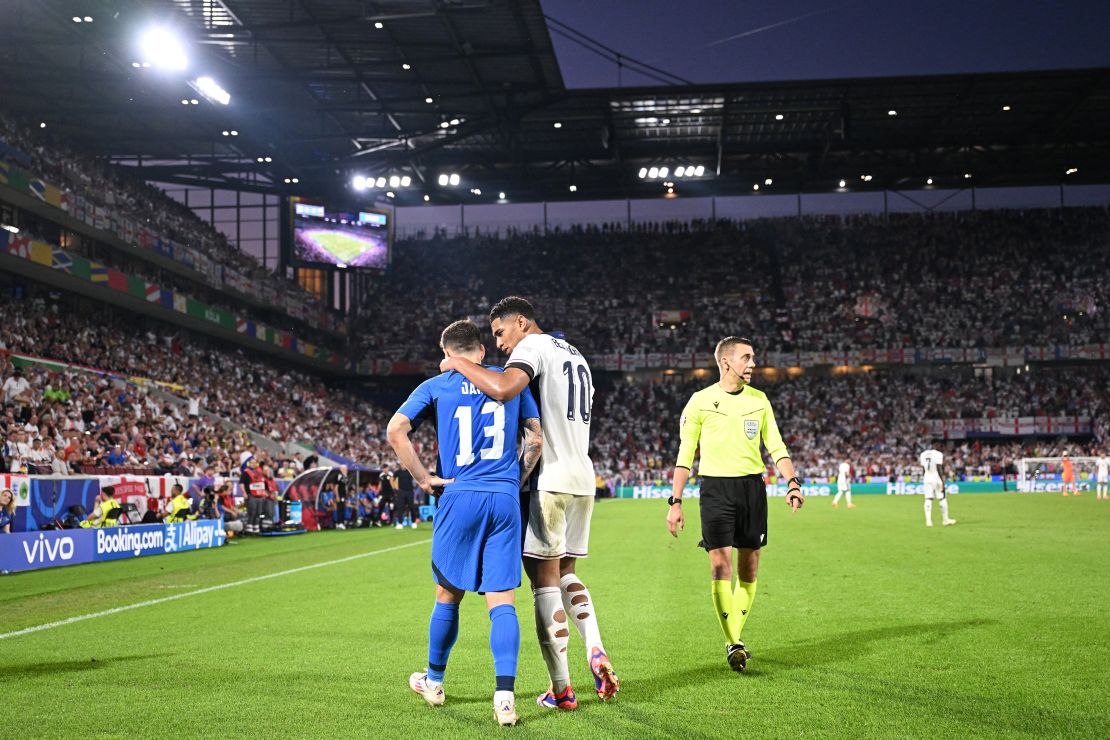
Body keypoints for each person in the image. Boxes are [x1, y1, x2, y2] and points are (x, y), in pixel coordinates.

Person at [440, 296, 620, 708]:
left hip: (548, 481)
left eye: (501, 332)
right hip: (581, 477)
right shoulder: (574, 353)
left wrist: (459, 363)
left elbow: (504, 389)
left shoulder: (531, 348)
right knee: (566, 573)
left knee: (543, 585)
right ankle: (594, 644)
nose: (500, 344)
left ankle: (562, 690)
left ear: (521, 322)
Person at [388, 319, 542, 727]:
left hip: (459, 494)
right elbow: (537, 440)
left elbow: (395, 430)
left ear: (446, 354)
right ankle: (505, 699)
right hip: (504, 498)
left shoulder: (435, 387)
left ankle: (434, 681)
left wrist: (423, 479)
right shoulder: (511, 380)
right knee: (503, 601)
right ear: (481, 350)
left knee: (447, 594)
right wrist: (513, 483)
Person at [666, 336, 805, 672]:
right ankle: (735, 643)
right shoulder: (700, 402)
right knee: (719, 567)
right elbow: (686, 455)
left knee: (749, 570)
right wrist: (675, 500)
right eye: (746, 357)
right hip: (715, 489)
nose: (753, 363)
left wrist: (792, 482)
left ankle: (733, 639)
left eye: (753, 357)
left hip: (752, 489)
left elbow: (777, 445)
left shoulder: (759, 400)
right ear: (726, 362)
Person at [920, 448, 955, 527]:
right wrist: (942, 481)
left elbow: (923, 469)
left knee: (928, 499)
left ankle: (928, 521)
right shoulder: (938, 454)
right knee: (942, 498)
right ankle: (945, 520)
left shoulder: (923, 454)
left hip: (927, 478)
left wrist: (925, 478)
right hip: (936, 478)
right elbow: (939, 468)